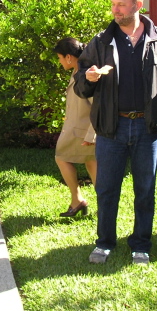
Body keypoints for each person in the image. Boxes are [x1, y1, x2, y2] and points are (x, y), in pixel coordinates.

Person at [74, 0, 157, 265]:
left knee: (145, 190)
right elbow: (80, 82)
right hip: (111, 128)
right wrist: (87, 78)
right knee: (107, 188)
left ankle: (141, 244)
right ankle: (104, 242)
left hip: (148, 128)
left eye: (121, 5)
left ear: (138, 5)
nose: (114, 10)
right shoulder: (100, 42)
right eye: (113, 4)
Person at [53, 37, 97, 218]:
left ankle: (78, 200)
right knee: (92, 165)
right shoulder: (78, 72)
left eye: (60, 58)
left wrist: (92, 134)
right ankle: (87, 202)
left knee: (62, 157)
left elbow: (98, 106)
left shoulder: (86, 75)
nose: (60, 61)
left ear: (69, 57)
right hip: (79, 130)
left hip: (83, 132)